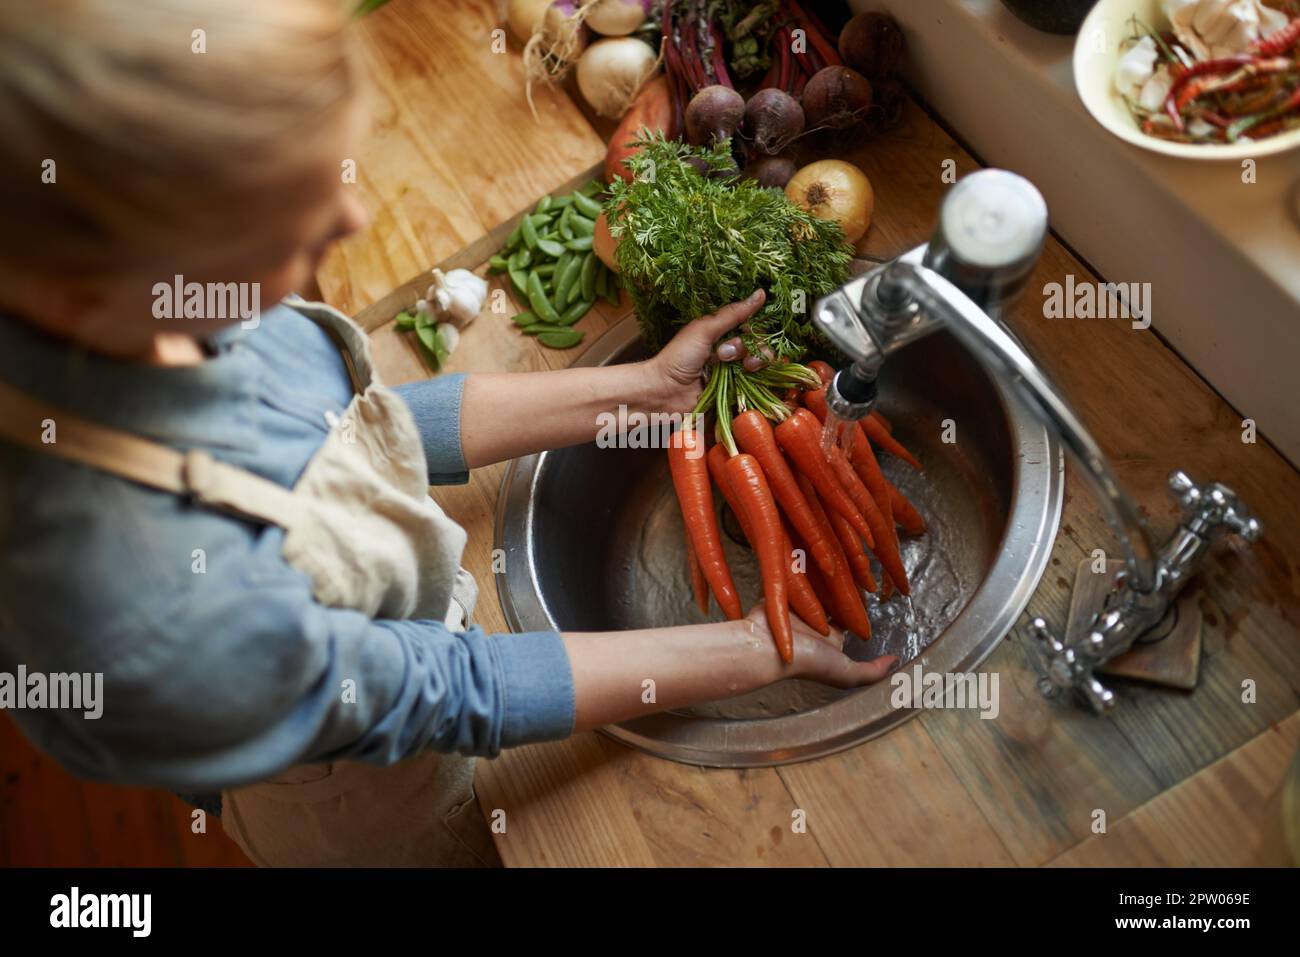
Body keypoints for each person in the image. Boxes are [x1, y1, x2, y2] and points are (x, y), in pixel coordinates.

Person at [0, 0, 894, 866]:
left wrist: (648, 390)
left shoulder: (149, 294)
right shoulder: (132, 608)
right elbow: (443, 689)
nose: (348, 220)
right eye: (283, 214)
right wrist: (754, 645)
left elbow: (364, 426)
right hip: (376, 808)